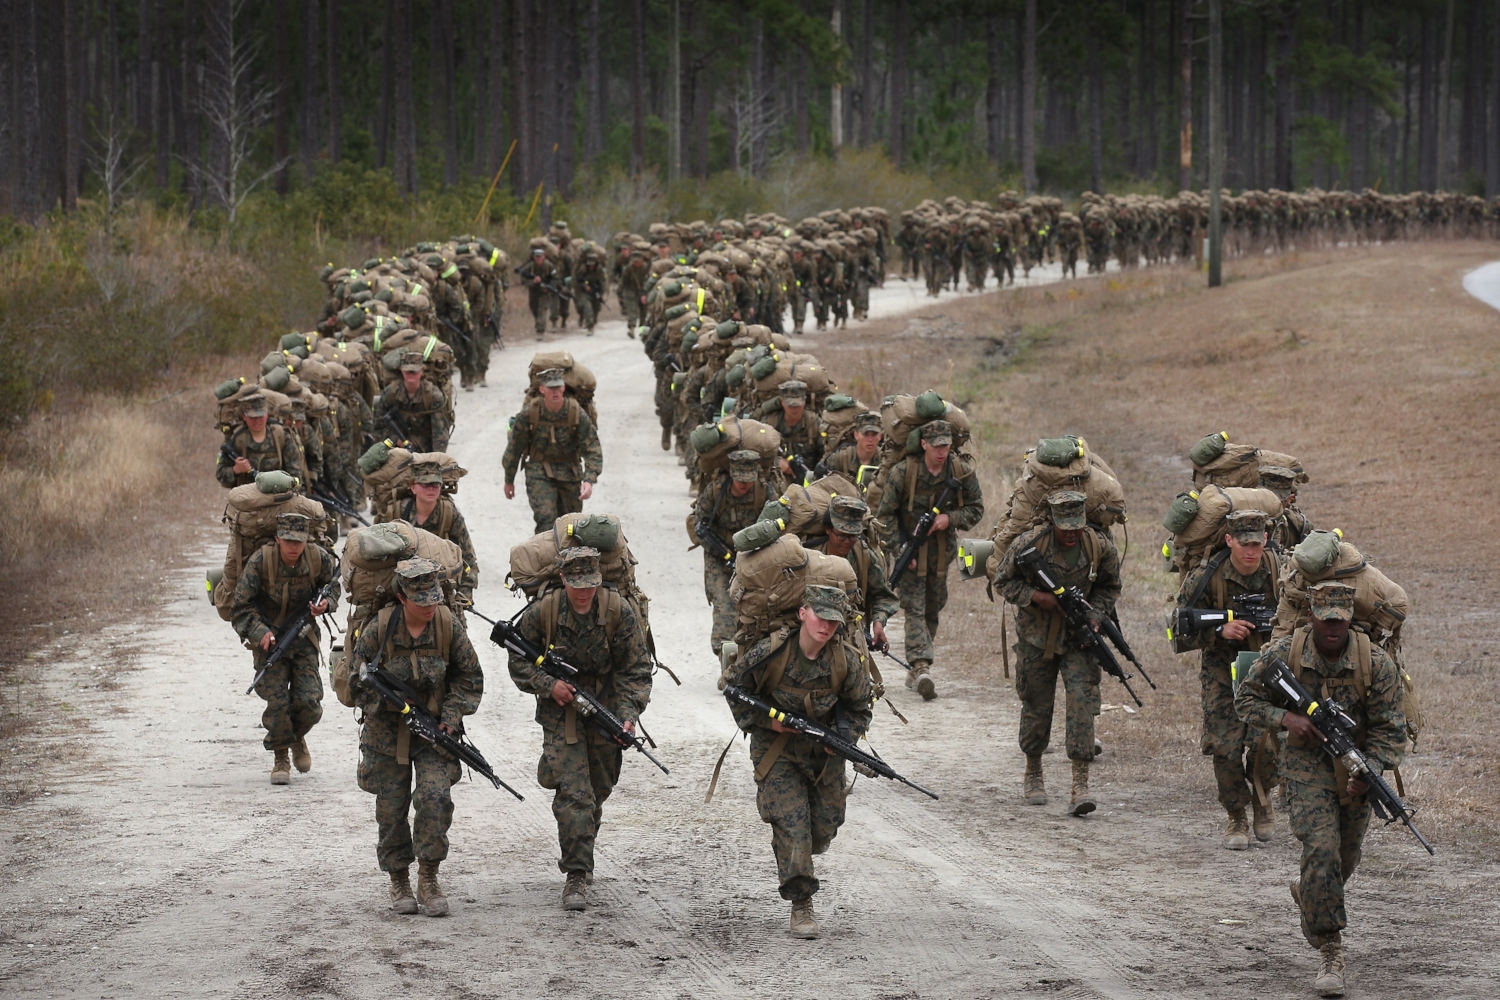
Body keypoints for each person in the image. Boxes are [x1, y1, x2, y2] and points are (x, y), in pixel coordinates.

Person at [1235, 582, 1407, 998]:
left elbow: (1391, 730)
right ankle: (1331, 950)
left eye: (1340, 619)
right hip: (1303, 764)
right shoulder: (1284, 655)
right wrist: (1286, 719)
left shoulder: (1376, 664)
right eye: (1325, 618)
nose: (1333, 627)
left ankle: (1309, 893)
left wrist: (1370, 771)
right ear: (1311, 615)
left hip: (1355, 765)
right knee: (1322, 849)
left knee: (1343, 859)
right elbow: (1244, 699)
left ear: (1350, 618)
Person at [505, 547, 654, 911]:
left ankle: (581, 846)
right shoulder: (545, 611)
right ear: (563, 581)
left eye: (590, 584)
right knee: (576, 794)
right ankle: (575, 874)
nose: (583, 592)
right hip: (562, 712)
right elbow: (518, 660)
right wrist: (547, 685)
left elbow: (635, 670)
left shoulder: (619, 611)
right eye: (576, 584)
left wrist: (627, 715)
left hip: (605, 708)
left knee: (598, 788)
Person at [724, 585, 874, 939]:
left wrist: (843, 740)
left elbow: (859, 708)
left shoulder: (845, 661)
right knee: (793, 825)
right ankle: (801, 901)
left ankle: (798, 851)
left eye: (833, 622)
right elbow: (734, 689)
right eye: (820, 617)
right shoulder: (772, 652)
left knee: (822, 830)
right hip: (777, 751)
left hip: (824, 755)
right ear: (803, 613)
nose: (826, 627)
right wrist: (766, 722)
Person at [348, 558, 485, 918]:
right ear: (401, 596)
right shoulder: (378, 630)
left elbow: (469, 678)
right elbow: (354, 685)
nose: (428, 606)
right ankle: (399, 880)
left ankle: (428, 877)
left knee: (434, 798)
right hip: (385, 734)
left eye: (433, 599)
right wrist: (390, 702)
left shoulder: (446, 626)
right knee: (391, 810)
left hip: (434, 732)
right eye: (420, 600)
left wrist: (451, 718)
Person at [992, 491, 1122, 814]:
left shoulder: (1098, 546)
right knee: (1036, 703)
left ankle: (1081, 784)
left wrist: (1094, 617)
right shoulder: (1030, 544)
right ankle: (1033, 770)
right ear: (1053, 521)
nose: (1071, 534)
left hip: (1079, 640)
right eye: (1065, 528)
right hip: (1036, 638)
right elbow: (1002, 581)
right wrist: (1037, 596)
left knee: (1082, 704)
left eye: (1076, 527)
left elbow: (1110, 587)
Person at [1175, 508, 1283, 847]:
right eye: (1243, 543)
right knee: (1224, 748)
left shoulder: (1281, 575)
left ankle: (1262, 800)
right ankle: (1236, 816)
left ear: (1266, 540)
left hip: (1268, 671)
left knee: (1267, 744)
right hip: (1222, 671)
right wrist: (1220, 631)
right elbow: (1179, 631)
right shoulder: (1206, 577)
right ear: (1229, 540)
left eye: (1257, 543)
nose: (1251, 551)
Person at [875, 420, 984, 699]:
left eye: (946, 446)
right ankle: (921, 665)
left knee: (933, 608)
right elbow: (884, 514)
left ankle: (917, 665)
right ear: (923, 444)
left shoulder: (960, 471)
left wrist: (950, 518)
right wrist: (899, 547)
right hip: (909, 551)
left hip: (941, 553)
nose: (942, 451)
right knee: (914, 608)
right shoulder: (904, 473)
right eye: (936, 446)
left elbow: (976, 509)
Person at [230, 512, 339, 784]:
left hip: (303, 640)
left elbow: (333, 586)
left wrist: (326, 603)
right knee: (278, 704)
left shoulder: (317, 558)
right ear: (278, 538)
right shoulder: (260, 562)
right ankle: (281, 756)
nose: (293, 547)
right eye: (288, 540)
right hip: (270, 642)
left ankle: (296, 737)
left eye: (299, 541)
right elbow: (240, 608)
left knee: (310, 704)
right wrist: (260, 633)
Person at [501, 368, 604, 535]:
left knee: (571, 526)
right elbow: (514, 448)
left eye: (558, 387)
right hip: (538, 471)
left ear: (563, 388)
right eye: (551, 388)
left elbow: (593, 449)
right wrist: (509, 480)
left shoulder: (575, 413)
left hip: (570, 472)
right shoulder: (530, 413)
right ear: (542, 389)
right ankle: (546, 560)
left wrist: (589, 480)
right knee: (545, 519)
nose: (555, 392)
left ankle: (568, 559)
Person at [694, 450, 773, 656]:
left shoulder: (765, 492)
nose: (744, 484)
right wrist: (723, 553)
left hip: (754, 558)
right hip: (718, 557)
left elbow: (777, 526)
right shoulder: (715, 491)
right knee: (724, 604)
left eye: (748, 480)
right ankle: (726, 657)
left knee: (758, 608)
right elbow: (699, 526)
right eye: (740, 479)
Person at [807, 497, 898, 661]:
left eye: (853, 536)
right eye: (841, 536)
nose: (847, 542)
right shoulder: (808, 555)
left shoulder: (863, 557)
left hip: (851, 635)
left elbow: (883, 596)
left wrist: (878, 623)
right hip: (811, 632)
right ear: (828, 529)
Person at [397, 461, 479, 604]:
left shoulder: (449, 514)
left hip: (440, 584)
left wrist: (466, 591)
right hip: (402, 585)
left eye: (435, 485)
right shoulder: (398, 512)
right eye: (425, 484)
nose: (431, 489)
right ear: (413, 487)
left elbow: (467, 555)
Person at [216, 391, 304, 489]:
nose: (257, 421)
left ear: (266, 414)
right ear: (244, 416)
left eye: (260, 416)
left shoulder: (280, 436)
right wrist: (236, 470)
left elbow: (295, 473)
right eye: (252, 417)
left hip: (278, 496)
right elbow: (220, 474)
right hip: (248, 498)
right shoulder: (237, 439)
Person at [373, 351, 451, 453]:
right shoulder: (391, 393)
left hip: (425, 449)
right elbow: (378, 427)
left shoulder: (433, 396)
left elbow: (440, 433)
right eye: (407, 372)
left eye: (414, 372)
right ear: (401, 371)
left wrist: (437, 460)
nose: (411, 375)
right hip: (396, 449)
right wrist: (395, 440)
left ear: (422, 371)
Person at [770, 380, 823, 481]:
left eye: (798, 405)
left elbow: (826, 454)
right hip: (777, 481)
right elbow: (759, 452)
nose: (795, 409)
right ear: (782, 402)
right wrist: (776, 462)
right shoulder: (770, 423)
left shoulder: (814, 423)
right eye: (791, 405)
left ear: (805, 401)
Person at [822, 411, 884, 496]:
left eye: (874, 434)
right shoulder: (840, 458)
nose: (870, 439)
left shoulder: (885, 459)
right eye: (865, 434)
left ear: (880, 436)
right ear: (856, 435)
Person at [1261, 465, 1315, 555]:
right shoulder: (1243, 520)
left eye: (1276, 501)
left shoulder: (1296, 523)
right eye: (1266, 499)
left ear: (1290, 499)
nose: (1270, 505)